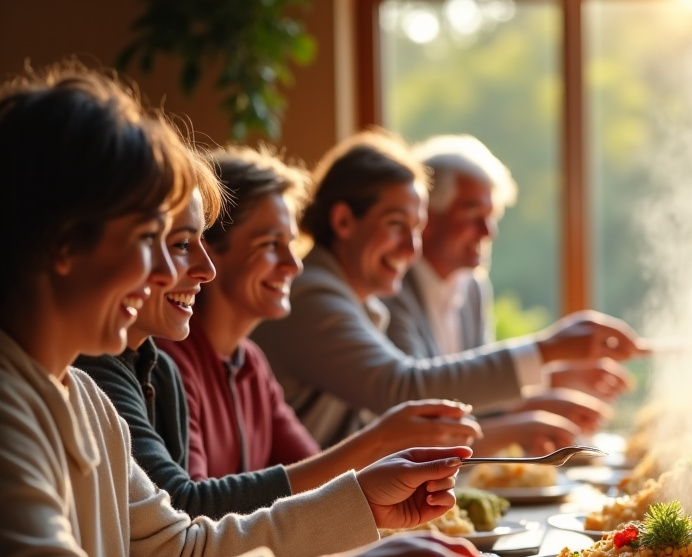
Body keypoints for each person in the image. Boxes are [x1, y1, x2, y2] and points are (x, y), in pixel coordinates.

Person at [0, 65, 529, 557]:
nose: (172, 270)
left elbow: (178, 552)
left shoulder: (84, 396)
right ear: (63, 242)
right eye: (149, 238)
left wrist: (364, 502)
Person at [81, 145, 473, 518]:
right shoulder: (167, 364)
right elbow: (189, 512)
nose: (294, 265)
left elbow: (312, 471)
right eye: (271, 244)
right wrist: (378, 444)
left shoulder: (244, 362)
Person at [250, 130, 643, 450]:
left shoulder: (355, 299)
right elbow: (405, 392)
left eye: (414, 229)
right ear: (343, 221)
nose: (410, 249)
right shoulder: (313, 296)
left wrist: (548, 386)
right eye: (396, 225)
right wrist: (548, 350)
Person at [385, 134, 634, 405]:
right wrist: (548, 351)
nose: (488, 232)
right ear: (427, 217)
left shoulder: (472, 287)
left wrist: (557, 379)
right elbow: (415, 400)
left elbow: (476, 393)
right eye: (473, 216)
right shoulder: (391, 287)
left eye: (492, 217)